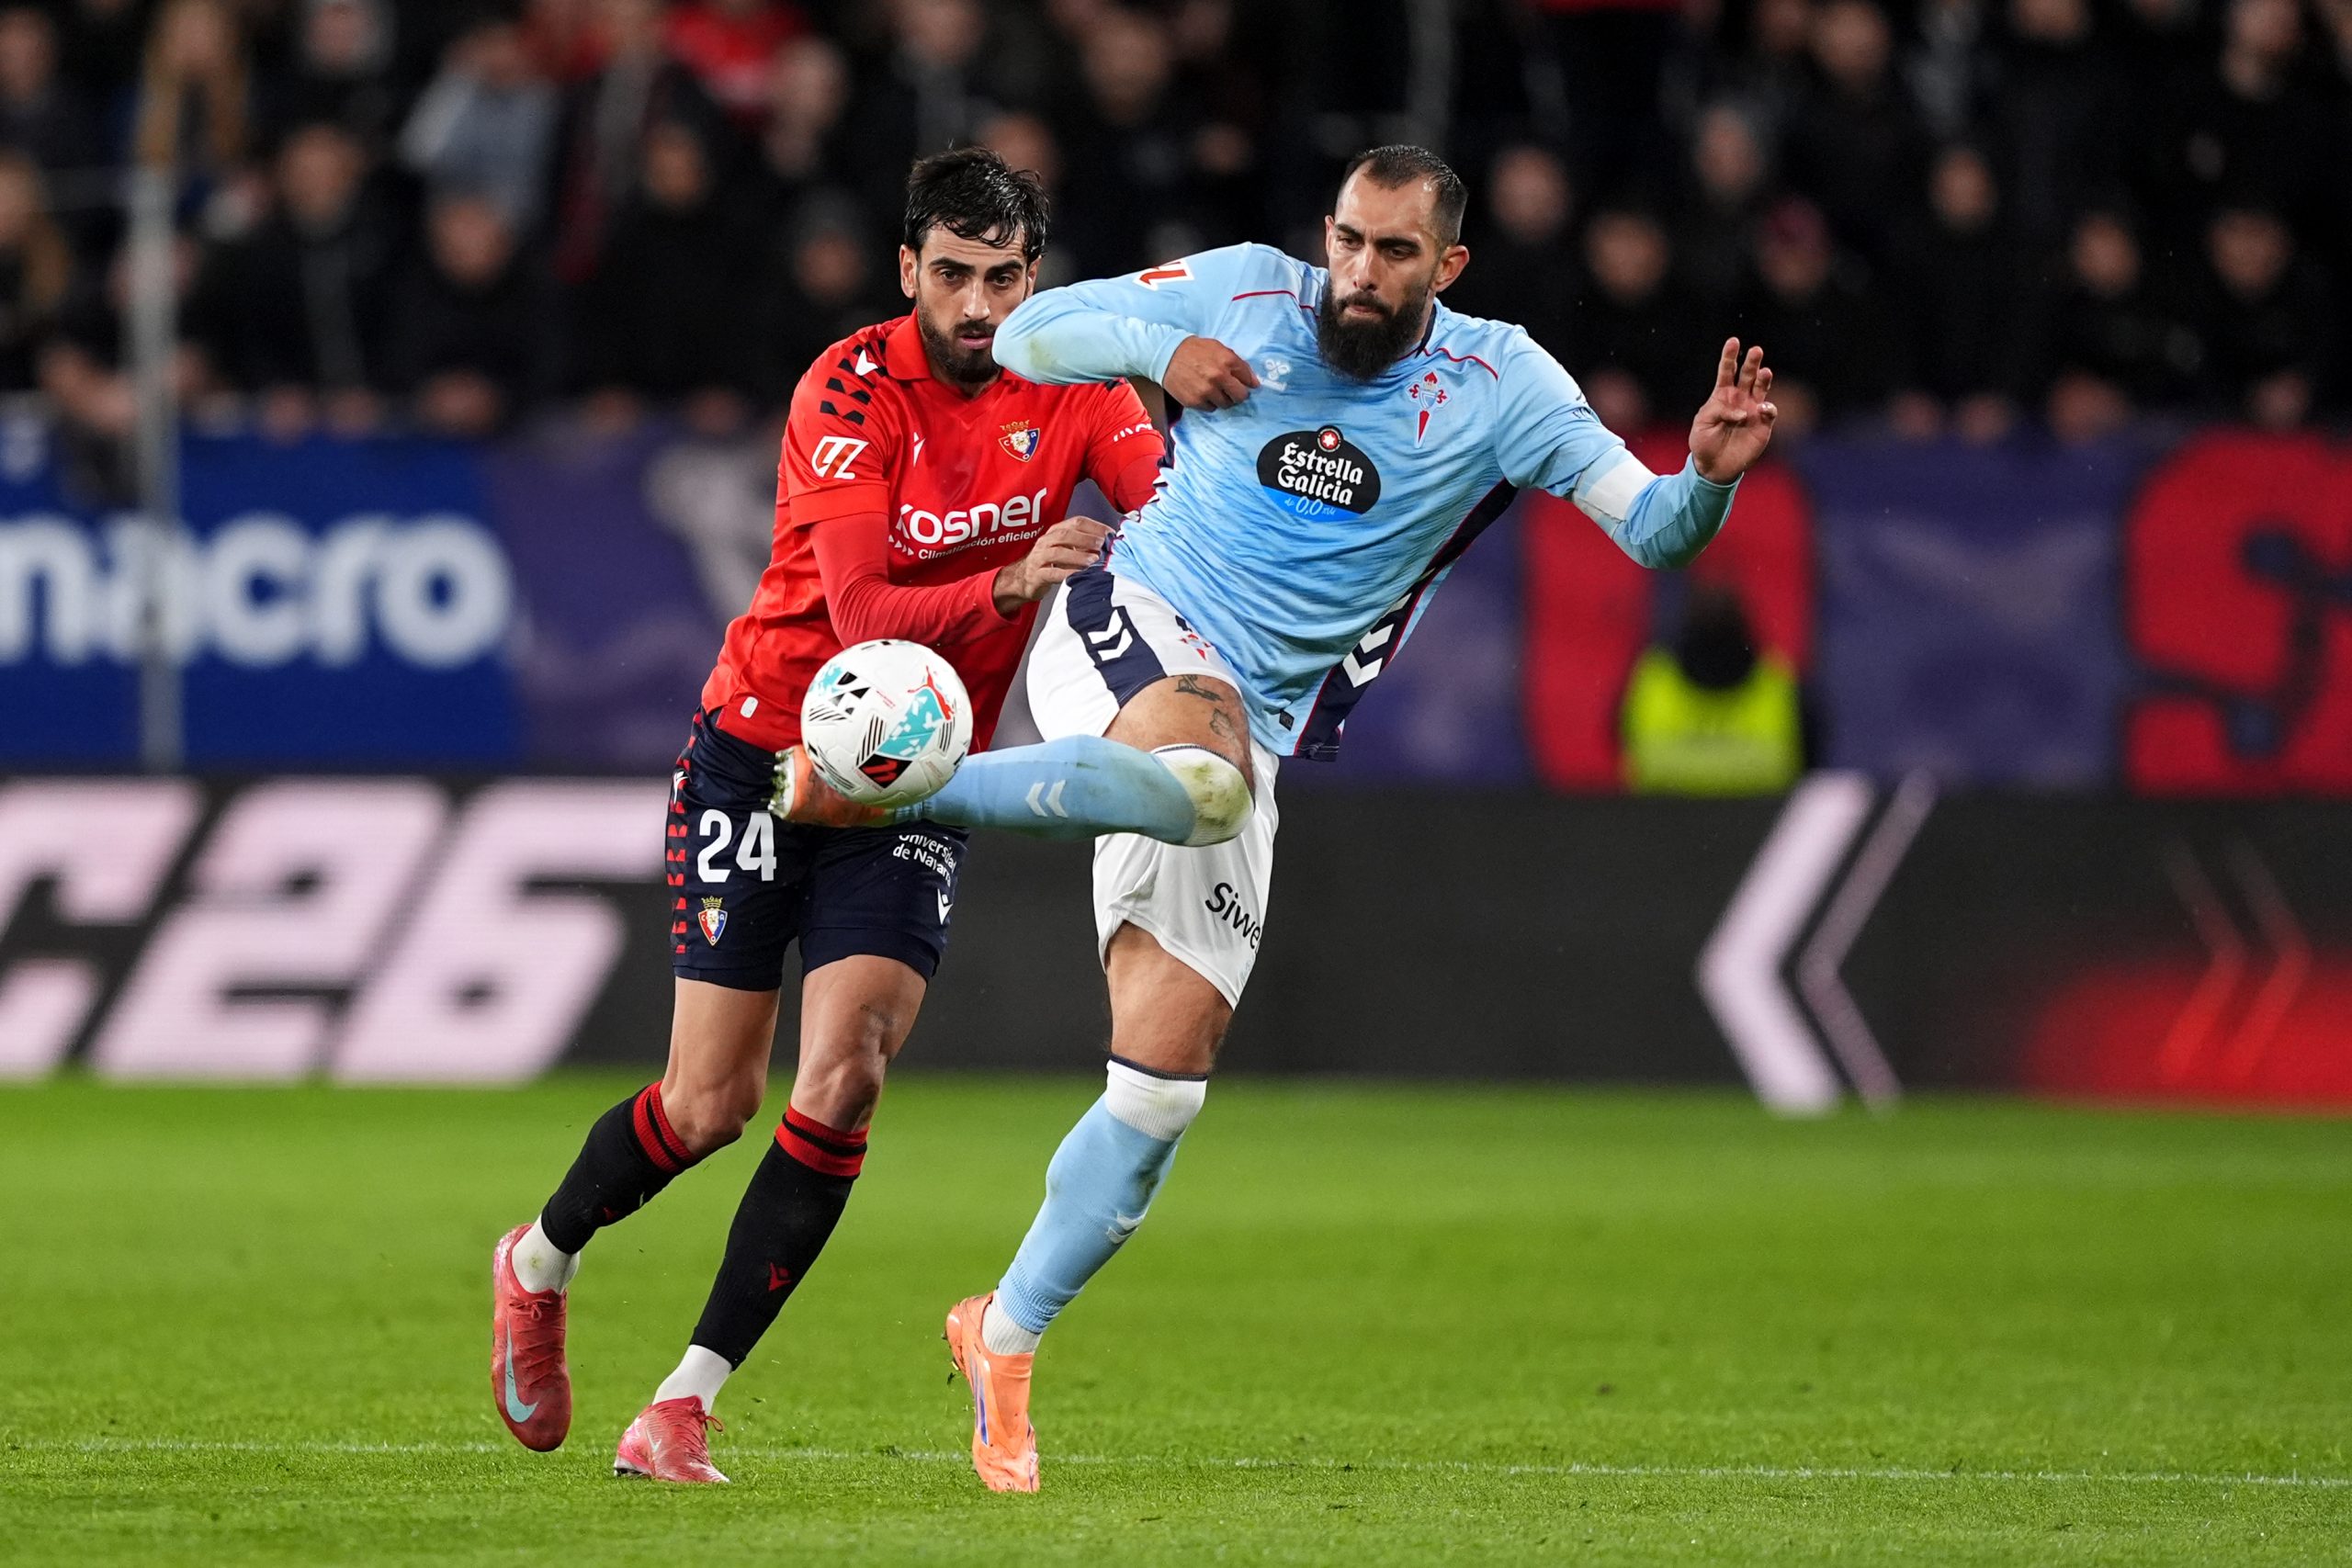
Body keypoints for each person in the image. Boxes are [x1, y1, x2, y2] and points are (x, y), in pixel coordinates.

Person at [769, 144, 1777, 1493]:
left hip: (1250, 729)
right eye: (1350, 241)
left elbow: (1651, 530)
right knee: (1200, 768)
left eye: (1396, 253)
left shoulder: (1505, 387)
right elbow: (1044, 324)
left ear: (1449, 268)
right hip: (1130, 616)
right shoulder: (1246, 293)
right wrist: (1164, 354)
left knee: (1163, 1083)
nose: (1360, 274)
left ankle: (999, 1335)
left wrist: (1704, 477)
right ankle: (897, 779)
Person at [486, 146, 1166, 1485]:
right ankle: (538, 1257)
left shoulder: (1084, 384)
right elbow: (863, 620)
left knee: (848, 1069)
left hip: (908, 784)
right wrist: (1021, 581)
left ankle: (682, 1404)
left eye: (1006, 278)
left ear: (1038, 276)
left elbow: (1178, 517)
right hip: (761, 751)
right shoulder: (849, 386)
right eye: (955, 276)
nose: (980, 306)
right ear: (909, 270)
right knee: (707, 1101)